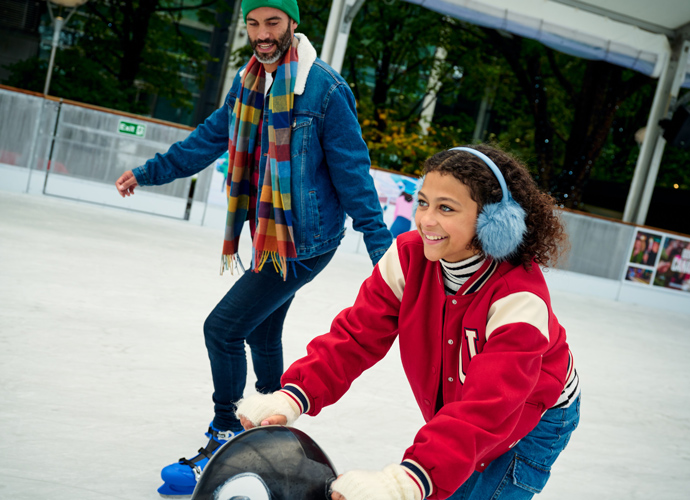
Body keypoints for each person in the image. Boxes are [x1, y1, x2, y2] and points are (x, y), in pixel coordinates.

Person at [114, 0, 392, 495]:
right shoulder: (247, 85)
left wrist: (387, 261)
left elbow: (354, 177)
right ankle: (273, 428)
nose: (262, 34)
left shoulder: (323, 90)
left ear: (293, 25)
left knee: (221, 329)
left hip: (303, 244)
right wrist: (148, 171)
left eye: (273, 23)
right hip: (268, 236)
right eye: (254, 24)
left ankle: (225, 432)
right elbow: (205, 142)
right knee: (261, 337)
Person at [236, 145, 581, 500]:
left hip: (532, 417)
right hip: (468, 407)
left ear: (494, 221)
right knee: (443, 477)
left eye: (446, 208)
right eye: (424, 202)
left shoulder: (519, 298)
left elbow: (490, 403)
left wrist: (411, 478)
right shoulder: (408, 256)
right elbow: (355, 337)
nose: (426, 220)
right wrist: (295, 394)